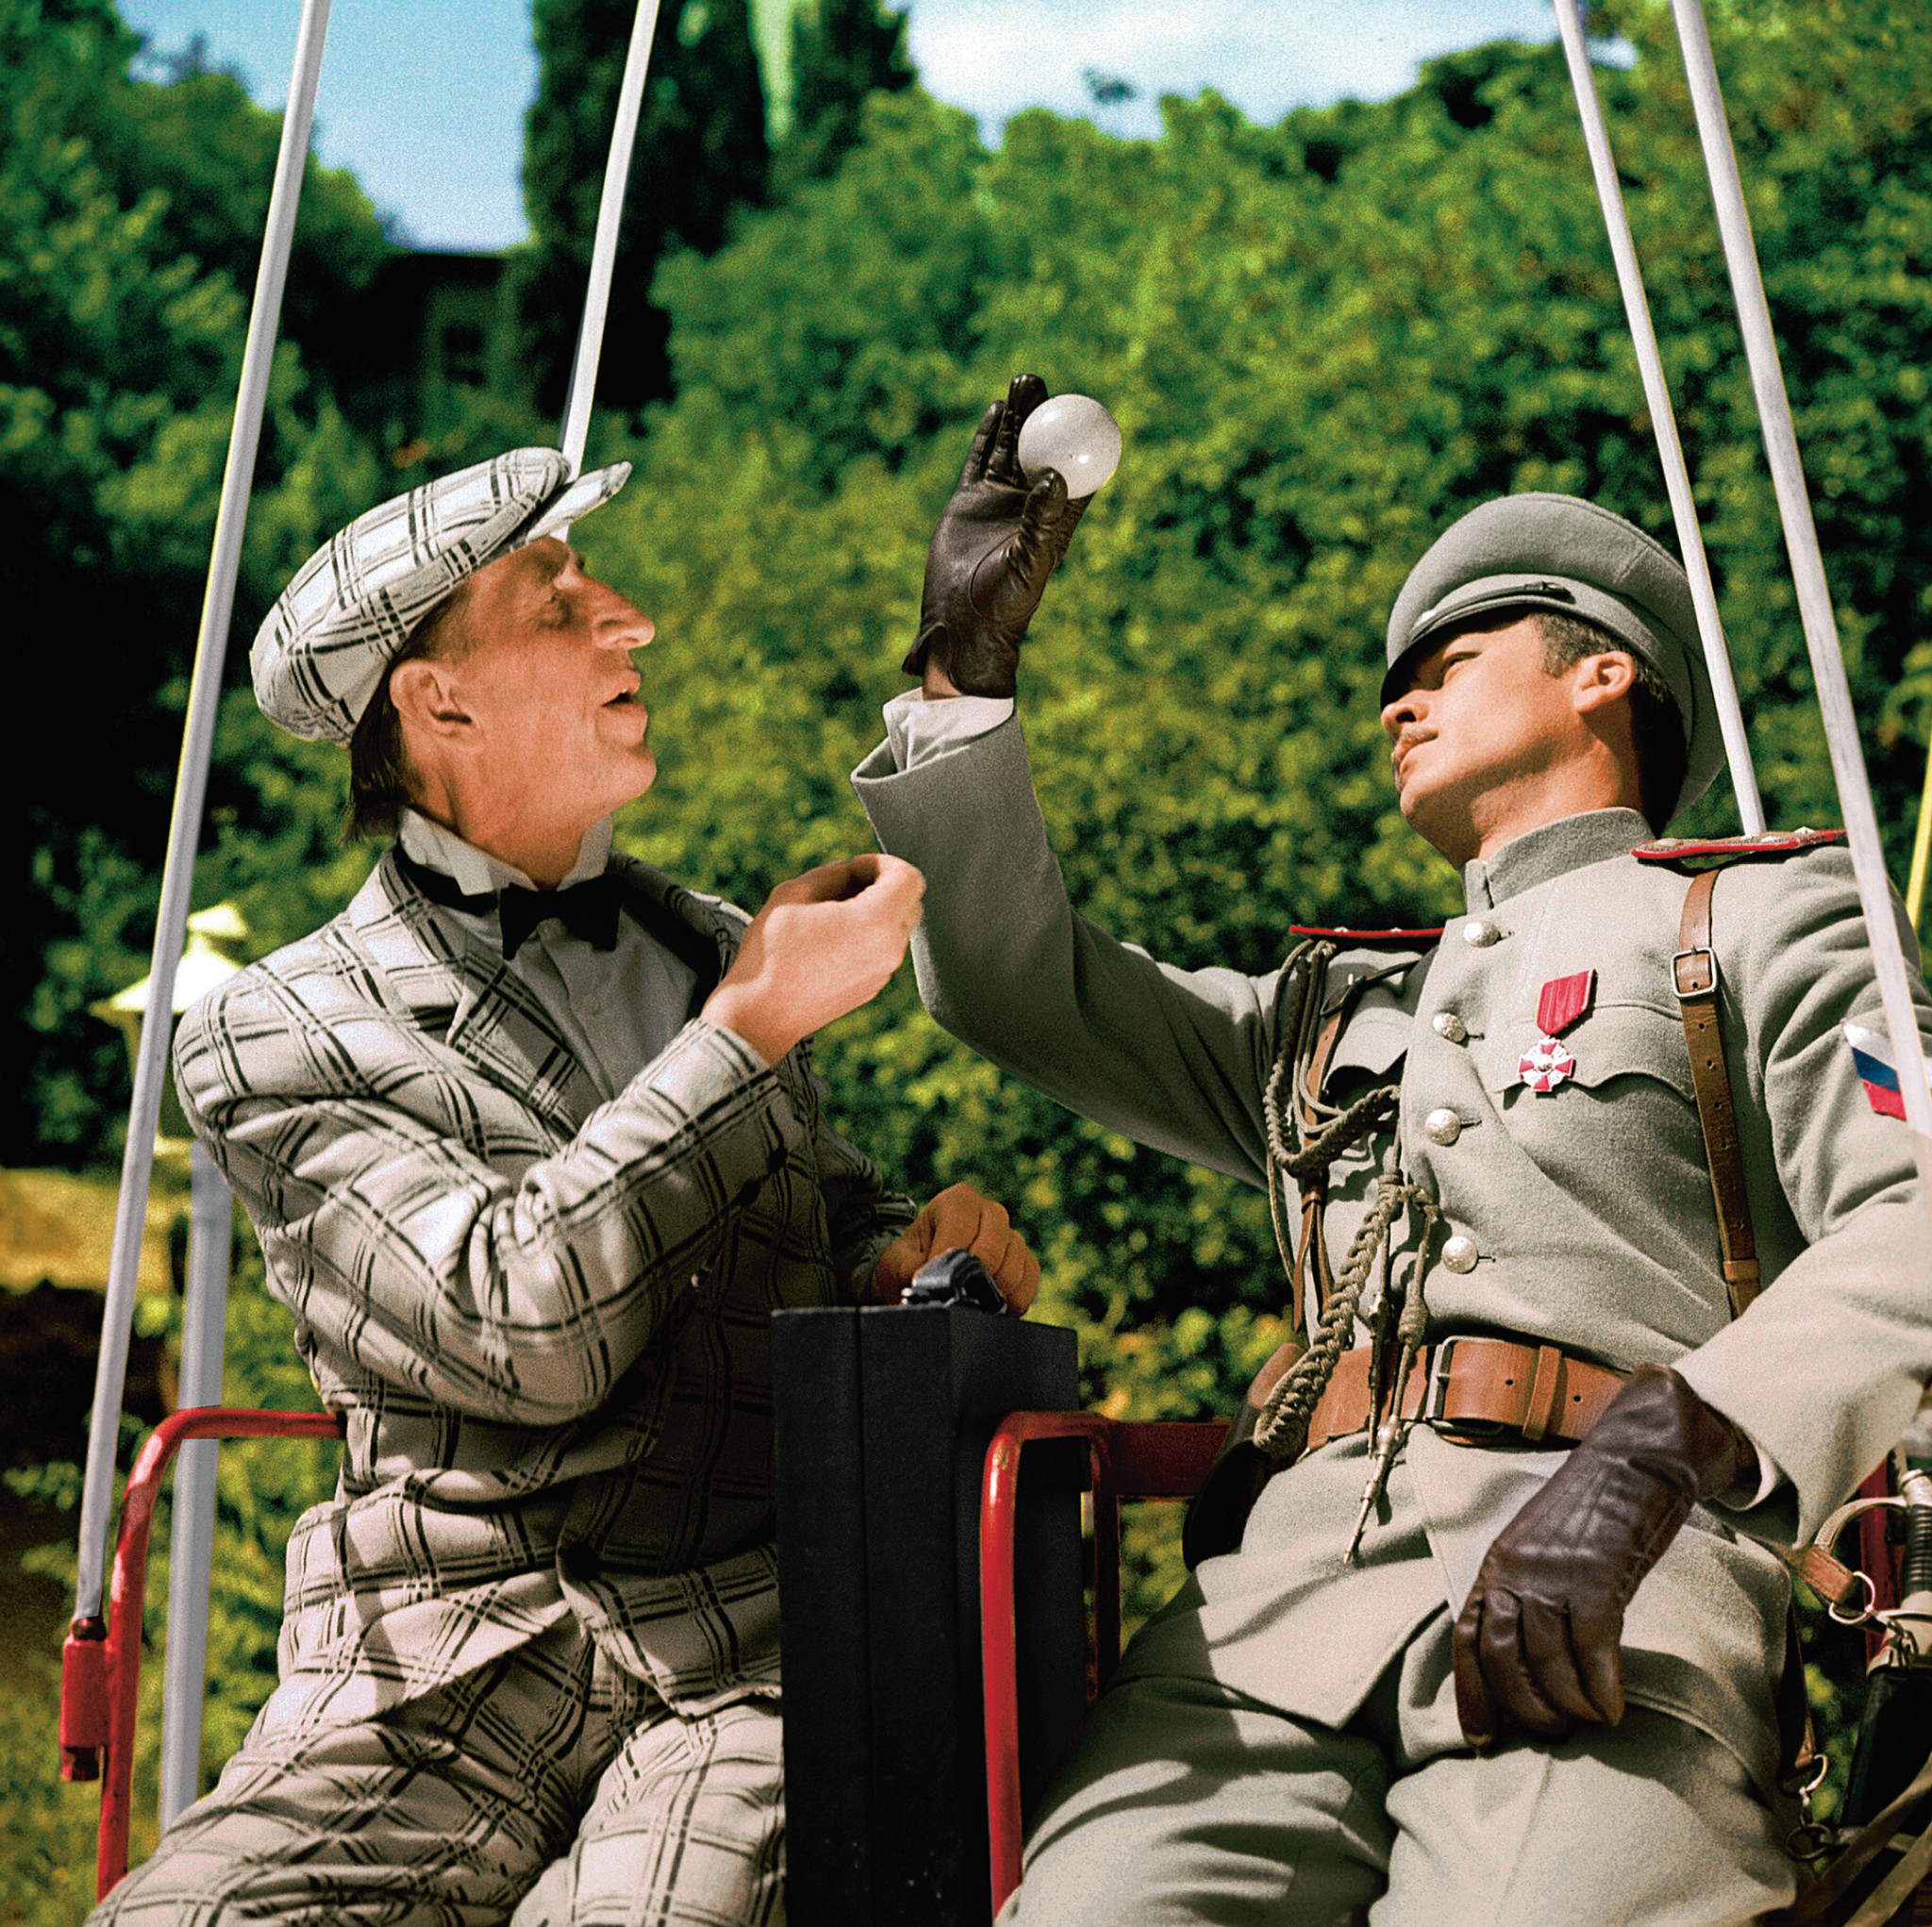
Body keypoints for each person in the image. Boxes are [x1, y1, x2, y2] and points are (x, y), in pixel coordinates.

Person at [851, 378, 1932, 1924]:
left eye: (1450, 664)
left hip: (1611, 1603)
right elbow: (1019, 987)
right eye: (1394, 685)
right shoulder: (1328, 1010)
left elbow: (1917, 1215)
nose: (1397, 705)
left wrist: (1660, 1453)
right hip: (1269, 1633)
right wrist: (964, 680)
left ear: (1604, 673)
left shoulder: (1758, 919)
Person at [95, 447, 1040, 1927]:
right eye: (557, 601)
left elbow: (810, 1216)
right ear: (438, 704)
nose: (632, 619)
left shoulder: (714, 944)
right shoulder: (272, 1030)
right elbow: (521, 1330)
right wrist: (747, 1031)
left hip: (740, 1660)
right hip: (423, 1677)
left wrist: (903, 1253)